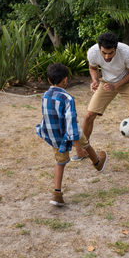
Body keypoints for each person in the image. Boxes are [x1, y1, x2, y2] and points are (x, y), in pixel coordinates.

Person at [71, 32, 129, 175]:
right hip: (106, 83)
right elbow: (93, 68)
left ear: (116, 48)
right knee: (89, 115)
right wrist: (95, 80)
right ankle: (83, 151)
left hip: (127, 82)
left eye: (110, 53)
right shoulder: (92, 52)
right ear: (99, 48)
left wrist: (117, 85)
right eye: (104, 53)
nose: (107, 57)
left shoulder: (126, 52)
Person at [35, 63, 108, 207]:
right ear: (65, 80)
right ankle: (98, 163)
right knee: (84, 142)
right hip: (67, 132)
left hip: (54, 135)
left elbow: (49, 115)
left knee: (60, 162)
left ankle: (57, 194)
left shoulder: (45, 95)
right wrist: (78, 150)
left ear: (49, 80)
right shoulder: (67, 98)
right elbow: (71, 126)